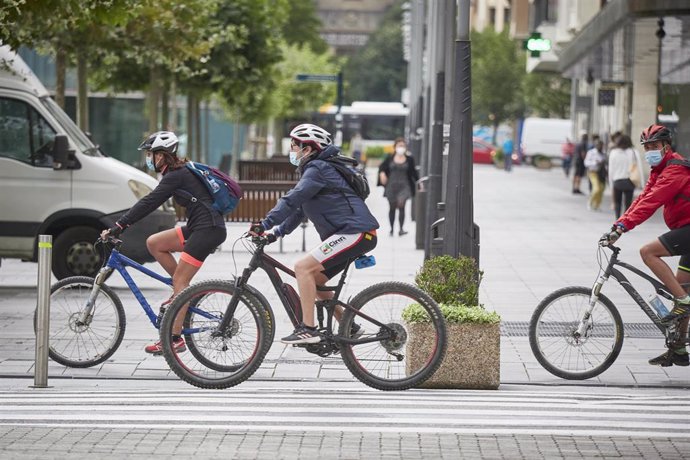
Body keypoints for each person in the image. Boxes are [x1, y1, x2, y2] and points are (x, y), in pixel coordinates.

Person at [250, 123, 379, 344]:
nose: (292, 151)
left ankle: (308, 329)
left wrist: (264, 223)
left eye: (294, 146)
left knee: (302, 267)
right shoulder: (317, 170)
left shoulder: (318, 169)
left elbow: (291, 199)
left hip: (355, 232)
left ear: (308, 149)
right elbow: (300, 209)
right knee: (314, 280)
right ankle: (351, 327)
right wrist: (275, 234)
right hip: (353, 233)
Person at [100, 131, 227, 355]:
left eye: (150, 154)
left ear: (161, 155)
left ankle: (175, 339)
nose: (148, 159)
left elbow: (149, 202)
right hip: (200, 226)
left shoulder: (175, 175)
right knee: (155, 243)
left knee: (180, 279)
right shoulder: (178, 172)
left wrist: (119, 225)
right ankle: (182, 291)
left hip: (208, 229)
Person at [601, 124, 690, 367]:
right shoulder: (659, 169)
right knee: (681, 287)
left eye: (654, 146)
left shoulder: (675, 170)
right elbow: (642, 198)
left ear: (666, 147)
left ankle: (682, 303)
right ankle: (680, 348)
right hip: (686, 230)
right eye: (647, 147)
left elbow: (652, 201)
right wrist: (618, 225)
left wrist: (622, 229)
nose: (650, 150)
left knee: (648, 252)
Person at [377, 138, 419, 236]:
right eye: (399, 146)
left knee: (401, 204)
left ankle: (401, 229)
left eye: (403, 146)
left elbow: (414, 172)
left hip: (405, 186)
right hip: (391, 186)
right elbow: (382, 167)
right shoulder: (390, 158)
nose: (401, 148)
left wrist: (419, 182)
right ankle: (392, 229)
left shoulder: (409, 159)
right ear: (395, 147)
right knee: (392, 207)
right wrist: (382, 174)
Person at [607, 134, 637, 218]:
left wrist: (611, 183)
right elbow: (636, 167)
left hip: (617, 181)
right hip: (629, 181)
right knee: (628, 203)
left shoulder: (613, 152)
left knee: (617, 202)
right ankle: (625, 221)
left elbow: (611, 170)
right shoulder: (632, 151)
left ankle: (617, 220)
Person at [584, 139, 605, 211]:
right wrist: (595, 163)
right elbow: (586, 163)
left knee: (601, 189)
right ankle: (590, 202)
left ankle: (597, 205)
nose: (600, 147)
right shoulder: (591, 152)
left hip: (601, 174)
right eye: (599, 145)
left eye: (601, 145)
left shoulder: (603, 153)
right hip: (592, 172)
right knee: (596, 189)